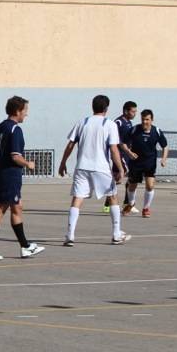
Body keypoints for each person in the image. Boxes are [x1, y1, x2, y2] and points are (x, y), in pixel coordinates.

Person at [0, 96, 44, 261]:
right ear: (17, 111)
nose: (26, 115)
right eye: (25, 111)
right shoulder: (14, 130)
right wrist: (28, 164)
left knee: (17, 207)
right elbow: (15, 156)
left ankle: (25, 247)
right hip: (9, 176)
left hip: (0, 174)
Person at [59, 94, 129, 246]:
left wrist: (63, 162)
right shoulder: (109, 124)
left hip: (82, 167)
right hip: (100, 167)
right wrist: (120, 168)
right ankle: (116, 234)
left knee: (77, 199)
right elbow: (114, 149)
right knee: (112, 197)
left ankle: (70, 235)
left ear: (93, 107)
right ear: (106, 108)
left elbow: (70, 144)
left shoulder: (82, 122)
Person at [122, 109, 169, 218]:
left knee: (150, 185)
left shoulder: (156, 131)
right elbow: (123, 143)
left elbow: (165, 146)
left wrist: (164, 159)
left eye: (147, 119)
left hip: (150, 162)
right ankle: (130, 204)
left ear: (151, 120)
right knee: (132, 185)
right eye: (143, 119)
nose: (144, 122)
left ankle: (146, 208)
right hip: (135, 162)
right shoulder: (134, 130)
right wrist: (129, 152)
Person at [108, 101, 139, 212]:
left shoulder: (129, 123)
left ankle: (125, 204)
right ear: (126, 111)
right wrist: (128, 152)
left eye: (136, 111)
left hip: (126, 153)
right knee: (124, 173)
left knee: (121, 177)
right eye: (133, 111)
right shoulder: (118, 122)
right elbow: (117, 140)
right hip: (119, 154)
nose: (135, 113)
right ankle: (113, 202)